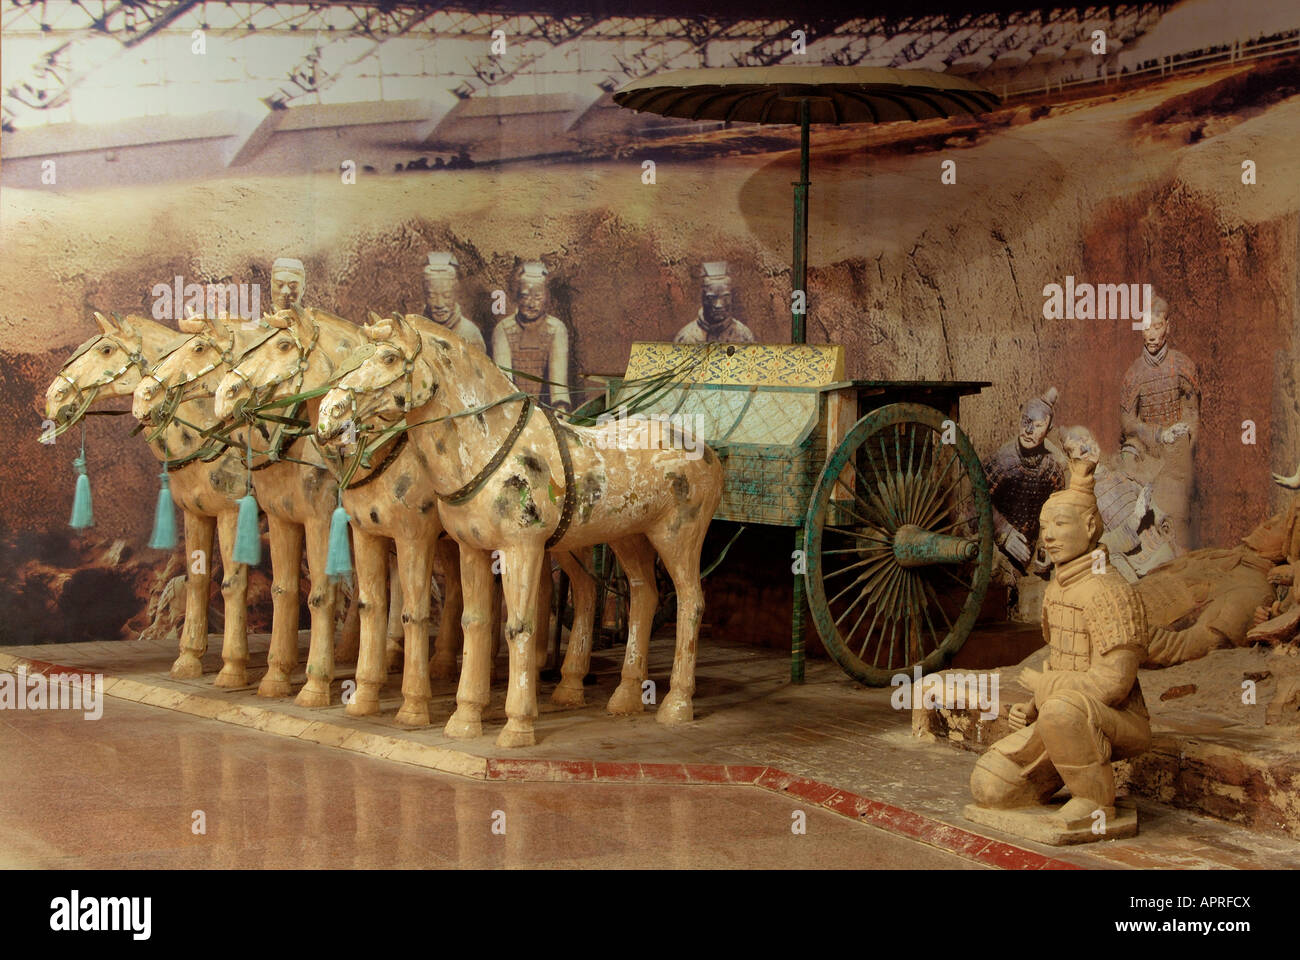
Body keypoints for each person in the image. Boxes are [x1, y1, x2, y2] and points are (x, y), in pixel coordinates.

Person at [969, 458, 1151, 828]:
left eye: (1059, 524)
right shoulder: (1058, 588)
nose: (1047, 536)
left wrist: (1045, 688)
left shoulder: (1109, 592)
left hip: (1117, 720)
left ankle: (1095, 802)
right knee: (990, 787)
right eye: (1043, 526)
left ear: (1089, 526)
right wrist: (1034, 706)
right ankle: (1068, 766)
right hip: (1060, 713)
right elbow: (1063, 662)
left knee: (1063, 710)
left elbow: (1113, 685)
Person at [1119, 296, 1199, 553]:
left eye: (1157, 327)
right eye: (1146, 328)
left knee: (1178, 526)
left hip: (1175, 455)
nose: (1152, 335)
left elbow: (1192, 414)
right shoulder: (1134, 374)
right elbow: (1127, 422)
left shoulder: (1183, 365)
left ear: (1168, 326)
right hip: (1146, 453)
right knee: (1145, 525)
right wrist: (1157, 435)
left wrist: (1182, 447)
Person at [983, 387, 1068, 576]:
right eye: (1026, 422)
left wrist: (1048, 549)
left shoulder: (1052, 470)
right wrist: (1003, 532)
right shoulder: (1002, 461)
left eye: (1037, 426)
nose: (1029, 431)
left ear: (1049, 430)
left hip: (1030, 555)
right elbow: (975, 501)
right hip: (996, 548)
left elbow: (1056, 514)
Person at [491, 261, 571, 411]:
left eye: (538, 298)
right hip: (512, 410)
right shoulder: (503, 330)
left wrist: (560, 409)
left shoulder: (556, 329)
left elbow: (558, 386)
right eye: (525, 296)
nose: (531, 304)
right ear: (517, 296)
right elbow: (504, 383)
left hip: (547, 414)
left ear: (546, 297)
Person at [673, 261, 755, 344]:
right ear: (703, 298)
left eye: (725, 297)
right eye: (712, 298)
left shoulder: (743, 336)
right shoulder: (686, 337)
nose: (718, 305)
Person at [421, 252, 485, 351]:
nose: (439, 304)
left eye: (447, 296)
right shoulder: (415, 331)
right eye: (432, 296)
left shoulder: (470, 333)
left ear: (456, 294)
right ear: (425, 295)